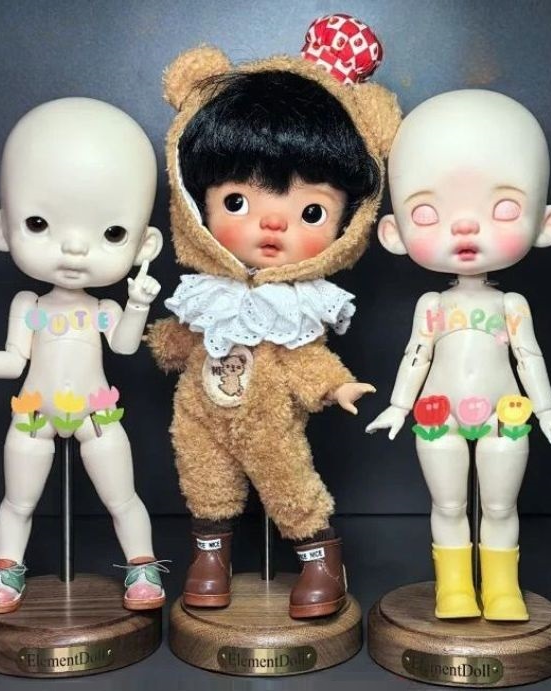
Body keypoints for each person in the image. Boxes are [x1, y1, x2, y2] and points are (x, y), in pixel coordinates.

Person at [149, 14, 401, 618]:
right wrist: (162, 339)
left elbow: (303, 356)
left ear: (351, 222)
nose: (270, 223)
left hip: (268, 420)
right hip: (199, 409)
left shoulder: (295, 306)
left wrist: (336, 385)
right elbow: (178, 342)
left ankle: (320, 559)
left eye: (311, 212)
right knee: (204, 480)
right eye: (237, 200)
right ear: (194, 203)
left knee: (290, 485)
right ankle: (209, 558)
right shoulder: (205, 294)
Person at [0, 98, 166, 613]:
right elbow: (15, 361)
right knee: (18, 501)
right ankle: (6, 567)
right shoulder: (29, 304)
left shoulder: (103, 307)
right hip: (33, 413)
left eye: (112, 233)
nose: (74, 248)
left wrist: (138, 305)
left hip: (96, 414)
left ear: (144, 245)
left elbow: (125, 346)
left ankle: (142, 564)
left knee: (122, 498)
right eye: (39, 224)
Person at [366, 90, 551, 621]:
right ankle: (455, 588)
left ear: (547, 222)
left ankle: (503, 590)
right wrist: (398, 405)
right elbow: (416, 356)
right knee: (447, 504)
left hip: (508, 416)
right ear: (393, 232)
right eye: (427, 213)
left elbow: (529, 357)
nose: (464, 227)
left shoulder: (511, 305)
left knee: (502, 505)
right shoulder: (433, 305)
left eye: (503, 208)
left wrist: (546, 408)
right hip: (436, 415)